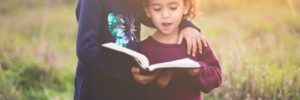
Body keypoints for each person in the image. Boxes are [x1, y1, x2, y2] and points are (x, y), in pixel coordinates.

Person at [74, 0, 208, 100]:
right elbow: (86, 48)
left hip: (127, 87)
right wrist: (127, 73)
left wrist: (187, 25)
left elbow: (156, 16)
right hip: (97, 89)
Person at [131, 0, 222, 99]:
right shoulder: (144, 48)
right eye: (157, 9)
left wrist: (197, 71)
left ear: (186, 7)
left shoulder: (194, 41)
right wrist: (149, 81)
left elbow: (216, 78)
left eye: (173, 8)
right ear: (147, 10)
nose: (165, 15)